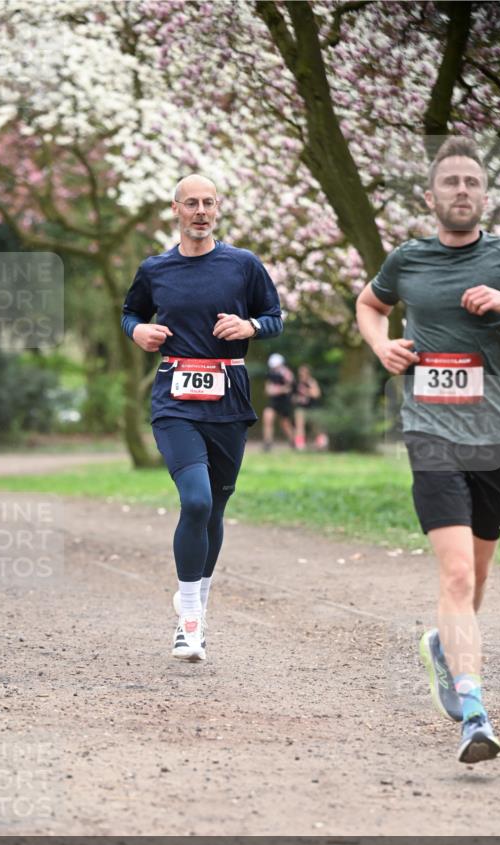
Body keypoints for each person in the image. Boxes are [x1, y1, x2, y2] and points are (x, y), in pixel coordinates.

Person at [356, 136, 500, 764]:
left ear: (484, 196)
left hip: (493, 438)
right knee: (453, 573)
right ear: (430, 196)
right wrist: (382, 346)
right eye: (449, 182)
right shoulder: (408, 260)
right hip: (430, 431)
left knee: (473, 583)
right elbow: (370, 304)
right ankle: (474, 712)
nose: (460, 191)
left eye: (471, 183)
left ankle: (444, 647)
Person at [122, 174, 282, 661]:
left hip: (228, 399)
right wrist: (139, 332)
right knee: (195, 501)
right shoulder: (156, 269)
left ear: (218, 209)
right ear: (175, 209)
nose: (200, 211)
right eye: (191, 203)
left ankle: (198, 599)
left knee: (214, 508)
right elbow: (131, 312)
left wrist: (249, 324)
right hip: (174, 399)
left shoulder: (242, 265)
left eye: (208, 203)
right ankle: (188, 618)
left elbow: (275, 315)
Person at [262, 353, 295, 451]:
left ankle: (293, 441)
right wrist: (275, 390)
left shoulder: (287, 373)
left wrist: (277, 390)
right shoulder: (271, 374)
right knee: (267, 417)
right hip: (274, 401)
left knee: (285, 423)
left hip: (284, 401)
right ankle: (267, 443)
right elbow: (267, 390)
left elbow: (290, 388)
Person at [292, 363, 324, 450]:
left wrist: (306, 391)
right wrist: (298, 399)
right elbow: (293, 397)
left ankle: (321, 443)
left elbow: (316, 394)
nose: (301, 375)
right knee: (299, 424)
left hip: (313, 407)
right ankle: (300, 444)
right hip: (301, 407)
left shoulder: (312, 382)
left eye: (303, 373)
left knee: (316, 426)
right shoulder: (296, 383)